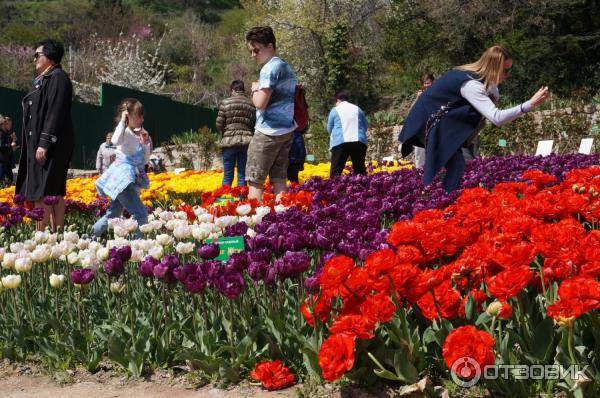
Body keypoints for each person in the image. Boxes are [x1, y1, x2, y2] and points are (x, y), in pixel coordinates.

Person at [399, 45, 550, 192]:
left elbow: (490, 96)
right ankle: (436, 201)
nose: (508, 74)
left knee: (455, 164)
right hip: (427, 120)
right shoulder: (471, 85)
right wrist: (529, 104)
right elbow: (496, 118)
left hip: (440, 122)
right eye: (506, 70)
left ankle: (440, 199)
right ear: (494, 68)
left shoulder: (480, 81)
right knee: (452, 164)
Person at [15, 39, 75, 232]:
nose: (34, 60)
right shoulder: (43, 79)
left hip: (52, 145)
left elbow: (55, 112)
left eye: (37, 55)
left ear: (49, 56)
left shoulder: (58, 77)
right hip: (41, 145)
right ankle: (55, 235)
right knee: (51, 191)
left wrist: (44, 143)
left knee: (46, 191)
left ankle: (42, 237)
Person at [245, 26, 297, 201]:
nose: (253, 55)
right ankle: (284, 219)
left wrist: (254, 90)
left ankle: (254, 223)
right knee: (279, 179)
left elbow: (260, 103)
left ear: (269, 46)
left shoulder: (269, 68)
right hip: (286, 130)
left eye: (256, 50)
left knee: (255, 180)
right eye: (251, 51)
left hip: (267, 132)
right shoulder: (286, 67)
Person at [93, 98, 151, 238]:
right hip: (122, 179)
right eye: (139, 114)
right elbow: (115, 140)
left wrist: (145, 144)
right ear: (128, 116)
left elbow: (145, 160)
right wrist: (122, 122)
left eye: (142, 114)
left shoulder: (139, 134)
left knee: (113, 214)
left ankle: (90, 235)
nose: (142, 118)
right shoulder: (124, 132)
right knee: (140, 213)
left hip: (129, 178)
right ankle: (140, 245)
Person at [215, 80, 256, 187]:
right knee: (242, 175)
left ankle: (226, 200)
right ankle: (242, 201)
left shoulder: (225, 102)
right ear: (243, 90)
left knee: (228, 176)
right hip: (246, 143)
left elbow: (219, 125)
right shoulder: (251, 104)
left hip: (229, 143)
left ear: (233, 90)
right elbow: (254, 124)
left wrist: (225, 133)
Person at [327, 91, 369, 177]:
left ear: (337, 100)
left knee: (336, 171)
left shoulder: (335, 110)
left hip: (340, 142)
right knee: (360, 170)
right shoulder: (358, 109)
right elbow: (365, 126)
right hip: (359, 141)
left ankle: (335, 189)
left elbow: (329, 128)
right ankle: (362, 188)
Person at [413, 73, 435, 169]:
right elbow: (412, 111)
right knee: (420, 155)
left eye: (428, 83)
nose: (426, 85)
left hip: (433, 128)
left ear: (433, 83)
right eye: (425, 83)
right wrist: (418, 98)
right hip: (421, 129)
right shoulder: (420, 95)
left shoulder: (437, 94)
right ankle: (418, 176)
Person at [0, 115, 17, 184]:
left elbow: (8, 143)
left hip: (6, 159)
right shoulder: (1, 133)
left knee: (8, 178)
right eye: (5, 123)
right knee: (2, 178)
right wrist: (10, 146)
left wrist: (13, 140)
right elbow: (1, 146)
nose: (6, 125)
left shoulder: (5, 133)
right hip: (1, 160)